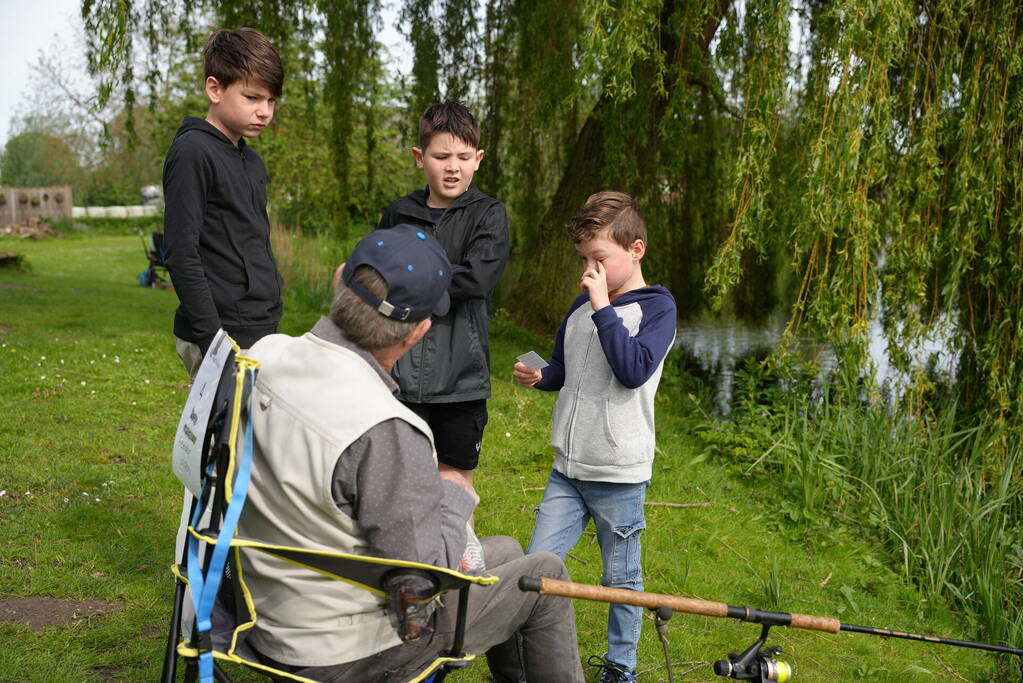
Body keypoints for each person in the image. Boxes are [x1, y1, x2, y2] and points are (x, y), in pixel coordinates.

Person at [238, 224, 584, 682]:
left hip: (263, 602)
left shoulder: (264, 354)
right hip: (341, 647)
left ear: (342, 280)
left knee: (506, 552)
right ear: (418, 331)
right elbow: (420, 580)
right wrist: (455, 493)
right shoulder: (385, 427)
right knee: (545, 577)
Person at [513, 192, 677, 683]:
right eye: (584, 260)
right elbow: (566, 367)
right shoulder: (582, 305)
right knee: (535, 569)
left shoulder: (657, 308)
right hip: (567, 469)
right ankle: (523, 657)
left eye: (599, 259)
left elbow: (631, 370)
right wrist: (541, 376)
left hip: (618, 473)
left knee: (620, 580)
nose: (590, 270)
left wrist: (604, 305)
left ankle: (620, 668)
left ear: (636, 250)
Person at [375, 101, 510, 492]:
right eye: (442, 156)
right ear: (420, 157)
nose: (453, 167)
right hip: (397, 374)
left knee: (455, 483)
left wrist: (409, 279)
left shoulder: (489, 214)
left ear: (478, 159)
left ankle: (464, 556)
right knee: (398, 481)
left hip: (460, 380)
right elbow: (374, 275)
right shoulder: (399, 213)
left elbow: (476, 280)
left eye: (464, 157)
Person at [162, 27, 285, 379]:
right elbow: (181, 252)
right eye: (252, 98)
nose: (265, 112)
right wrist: (213, 340)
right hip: (221, 336)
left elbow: (251, 240)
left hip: (261, 327)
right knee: (225, 436)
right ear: (214, 88)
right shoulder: (192, 152)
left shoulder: (251, 161)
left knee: (256, 435)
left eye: (271, 100)